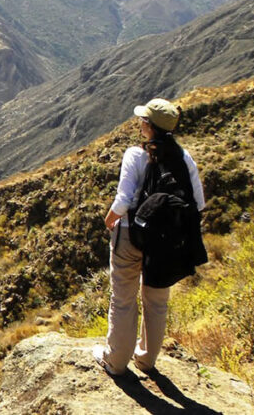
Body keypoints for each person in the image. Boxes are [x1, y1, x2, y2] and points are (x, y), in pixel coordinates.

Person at [92, 98, 206, 375]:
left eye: (143, 120)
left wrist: (109, 222)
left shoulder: (135, 155)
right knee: (156, 301)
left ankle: (116, 361)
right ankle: (146, 359)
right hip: (164, 242)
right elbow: (199, 203)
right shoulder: (183, 158)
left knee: (123, 298)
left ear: (149, 126)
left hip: (131, 235)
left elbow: (123, 200)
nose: (140, 123)